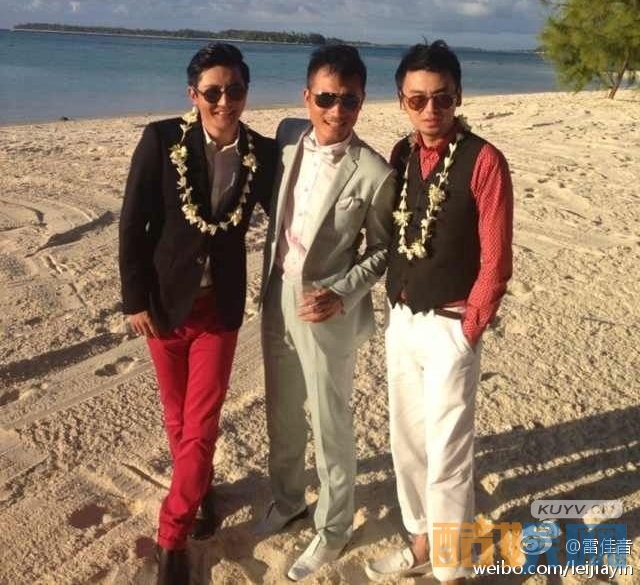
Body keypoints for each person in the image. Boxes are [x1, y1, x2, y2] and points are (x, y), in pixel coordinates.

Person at [119, 43, 275, 585]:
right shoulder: (161, 140)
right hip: (164, 305)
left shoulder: (260, 152)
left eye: (235, 90)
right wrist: (134, 299)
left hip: (218, 310)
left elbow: (290, 210)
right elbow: (133, 223)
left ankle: (172, 537)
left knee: (202, 423)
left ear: (246, 92)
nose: (224, 101)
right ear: (193, 95)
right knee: (177, 418)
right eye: (213, 91)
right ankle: (200, 488)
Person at [365, 40, 513, 584]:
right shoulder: (401, 155)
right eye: (418, 99)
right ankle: (420, 541)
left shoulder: (484, 160)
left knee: (448, 449)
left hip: (452, 325)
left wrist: (470, 327)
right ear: (402, 101)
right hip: (402, 320)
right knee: (406, 440)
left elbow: (496, 259)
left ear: (459, 97)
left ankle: (451, 568)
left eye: (442, 98)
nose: (431, 110)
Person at [255, 44, 396, 581]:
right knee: (283, 411)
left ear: (362, 101)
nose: (337, 111)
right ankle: (289, 499)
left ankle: (334, 528)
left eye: (350, 101)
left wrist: (341, 291)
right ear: (306, 97)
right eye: (326, 98)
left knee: (330, 421)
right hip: (277, 293)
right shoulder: (288, 136)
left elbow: (382, 250)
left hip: (325, 307)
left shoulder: (374, 172)